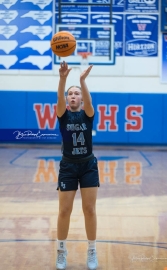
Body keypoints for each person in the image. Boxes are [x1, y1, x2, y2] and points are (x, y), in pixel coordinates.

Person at [56, 61, 99, 270]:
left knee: (89, 209)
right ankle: (61, 251)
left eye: (76, 94)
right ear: (67, 99)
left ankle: (92, 249)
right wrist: (63, 78)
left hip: (88, 165)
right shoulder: (63, 115)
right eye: (70, 94)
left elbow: (90, 104)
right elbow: (59, 99)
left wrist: (82, 81)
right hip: (68, 166)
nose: (73, 96)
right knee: (64, 210)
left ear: (81, 98)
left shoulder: (87, 114)